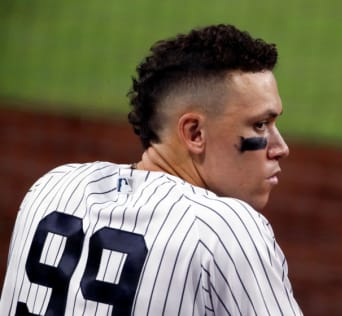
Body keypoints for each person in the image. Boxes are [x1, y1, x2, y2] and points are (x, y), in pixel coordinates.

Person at [0, 24, 302, 315]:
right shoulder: (225, 229)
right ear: (195, 133)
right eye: (260, 125)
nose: (280, 147)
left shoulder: (51, 188)